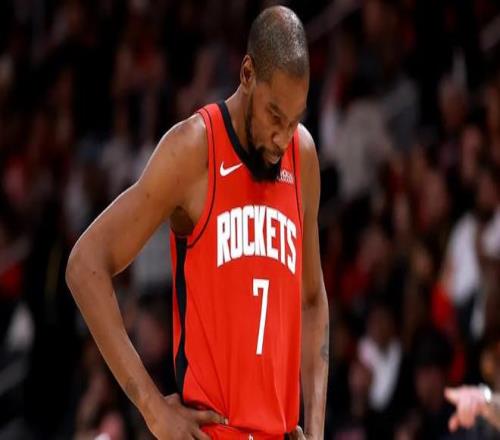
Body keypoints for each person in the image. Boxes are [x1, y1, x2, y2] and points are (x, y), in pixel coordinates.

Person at [65, 6, 329, 440]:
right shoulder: (194, 150)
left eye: (295, 119)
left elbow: (313, 300)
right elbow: (85, 265)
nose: (282, 137)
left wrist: (315, 430)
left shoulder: (302, 156)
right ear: (247, 74)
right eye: (274, 116)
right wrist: (152, 408)